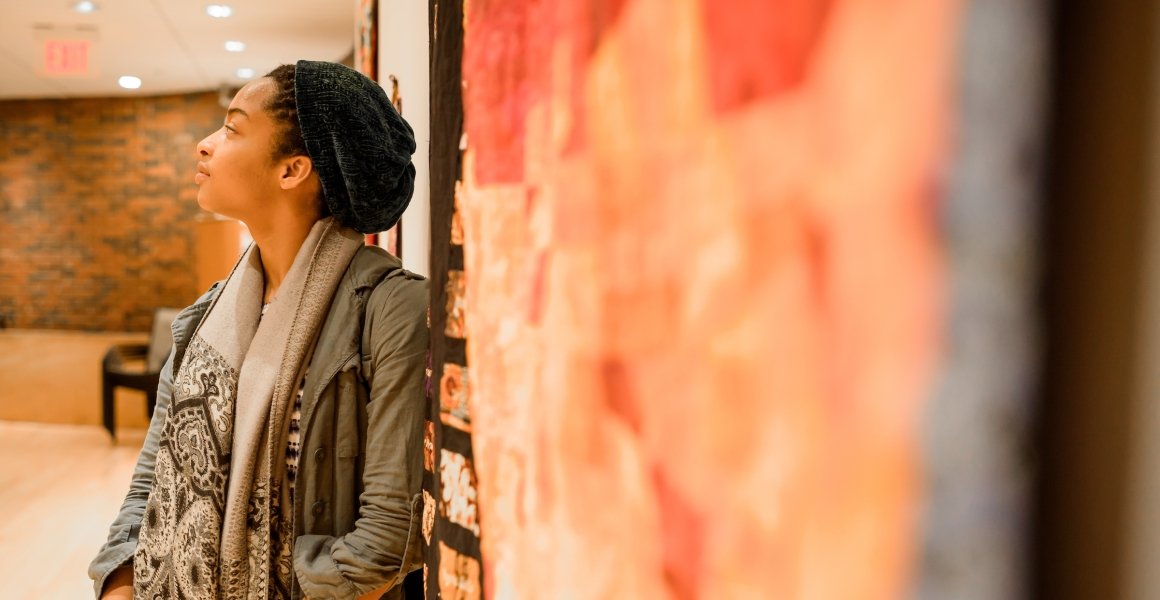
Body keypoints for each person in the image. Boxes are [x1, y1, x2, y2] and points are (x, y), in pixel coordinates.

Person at [87, 60, 429, 600]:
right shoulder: (204, 316)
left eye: (231, 128)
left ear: (292, 170)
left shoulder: (390, 309)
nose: (205, 145)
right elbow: (151, 480)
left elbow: (389, 535)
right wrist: (121, 582)